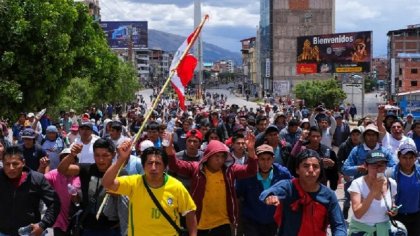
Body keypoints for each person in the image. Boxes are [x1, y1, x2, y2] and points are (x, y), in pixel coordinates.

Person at [167, 136, 258, 235]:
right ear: (208, 156)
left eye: (222, 156)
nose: (219, 160)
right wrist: (169, 148)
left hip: (223, 223)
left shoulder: (230, 170)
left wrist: (251, 150)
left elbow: (251, 171)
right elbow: (174, 165)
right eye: (216, 156)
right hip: (199, 223)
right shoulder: (196, 169)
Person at [102, 143, 198, 236]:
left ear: (165, 167)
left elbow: (190, 211)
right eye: (150, 163)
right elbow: (107, 183)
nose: (153, 168)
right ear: (143, 166)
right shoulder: (134, 183)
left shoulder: (176, 186)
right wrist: (121, 159)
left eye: (158, 164)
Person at [260, 149, 347, 236]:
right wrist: (271, 197)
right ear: (297, 169)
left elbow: (339, 225)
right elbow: (265, 194)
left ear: (320, 170)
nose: (311, 170)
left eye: (315, 166)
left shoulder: (329, 195)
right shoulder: (288, 187)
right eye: (306, 166)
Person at [58, 138, 126, 236]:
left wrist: (118, 194)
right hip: (88, 228)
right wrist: (72, 155)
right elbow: (62, 170)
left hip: (113, 229)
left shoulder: (121, 173)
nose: (101, 160)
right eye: (97, 155)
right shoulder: (86, 169)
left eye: (105, 155)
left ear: (113, 155)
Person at [0, 146, 60, 236]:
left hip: (30, 233)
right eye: (7, 164)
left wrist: (42, 225)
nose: (11, 168)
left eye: (15, 164)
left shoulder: (37, 179)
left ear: (23, 162)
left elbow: (54, 203)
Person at [236, 144, 292, 235]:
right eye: (262, 159)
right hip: (251, 221)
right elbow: (238, 196)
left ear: (273, 159)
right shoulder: (246, 174)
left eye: (268, 159)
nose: (265, 163)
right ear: (256, 160)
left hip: (273, 221)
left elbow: (291, 189)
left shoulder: (283, 173)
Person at [347, 150, 398, 236]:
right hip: (362, 230)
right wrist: (373, 192)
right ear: (366, 166)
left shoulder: (391, 183)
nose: (378, 169)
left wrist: (394, 210)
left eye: (381, 165)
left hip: (383, 230)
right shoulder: (357, 184)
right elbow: (358, 214)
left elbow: (392, 204)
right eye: (374, 165)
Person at [44, 148, 81, 236]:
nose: (67, 162)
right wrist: (45, 166)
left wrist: (75, 196)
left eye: (70, 159)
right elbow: (42, 180)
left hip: (77, 218)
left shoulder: (81, 175)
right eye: (64, 160)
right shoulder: (54, 174)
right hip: (59, 219)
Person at [386, 143, 420, 236]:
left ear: (415, 158)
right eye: (405, 157)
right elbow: (384, 196)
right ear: (399, 157)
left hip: (416, 217)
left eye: (411, 158)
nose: (408, 161)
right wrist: (391, 207)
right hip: (397, 217)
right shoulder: (390, 174)